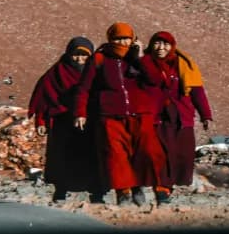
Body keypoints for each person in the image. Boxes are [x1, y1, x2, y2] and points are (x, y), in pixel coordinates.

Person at [72, 22, 168, 207]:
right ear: (110, 39)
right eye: (118, 39)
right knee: (116, 155)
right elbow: (84, 88)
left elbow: (155, 80)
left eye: (126, 38)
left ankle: (139, 185)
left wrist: (140, 58)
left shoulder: (140, 59)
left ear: (133, 39)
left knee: (146, 152)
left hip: (140, 115)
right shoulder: (100, 58)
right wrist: (80, 113)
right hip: (110, 115)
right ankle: (123, 191)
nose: (122, 43)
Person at [27, 37, 106, 203]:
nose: (79, 59)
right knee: (62, 159)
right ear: (68, 54)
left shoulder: (96, 72)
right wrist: (40, 121)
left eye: (84, 55)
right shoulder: (56, 73)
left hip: (90, 122)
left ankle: (97, 194)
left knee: (92, 158)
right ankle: (60, 191)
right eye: (76, 55)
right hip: (63, 123)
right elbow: (44, 98)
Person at [146, 31, 213, 201]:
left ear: (172, 46)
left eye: (165, 44)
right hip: (156, 117)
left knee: (183, 154)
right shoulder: (144, 63)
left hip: (181, 116)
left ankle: (173, 184)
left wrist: (205, 115)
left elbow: (197, 92)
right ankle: (162, 188)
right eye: (157, 43)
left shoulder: (184, 65)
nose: (161, 48)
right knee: (159, 154)